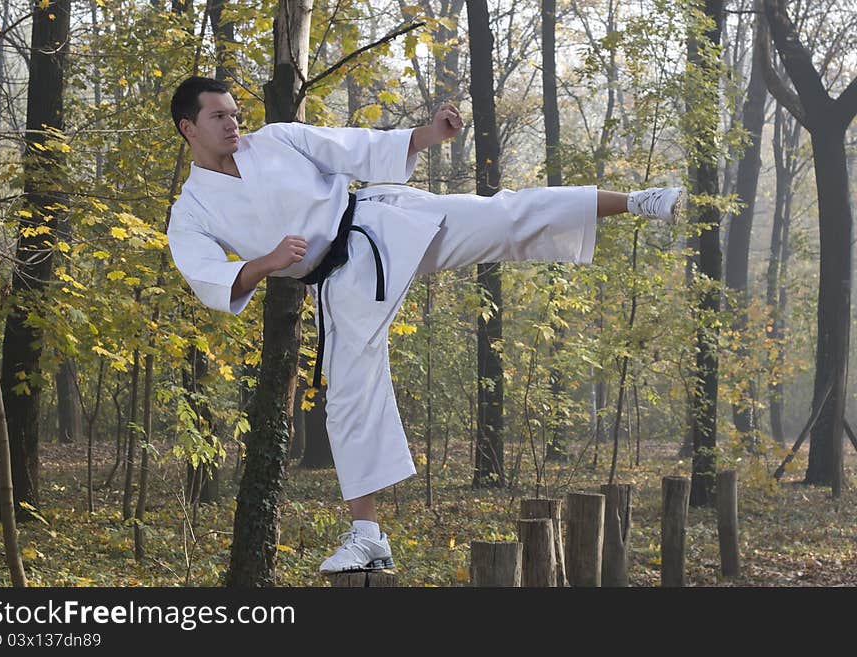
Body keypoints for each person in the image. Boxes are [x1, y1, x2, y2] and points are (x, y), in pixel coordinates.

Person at [166, 75, 685, 575]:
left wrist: (429, 135)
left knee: (503, 217)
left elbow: (356, 147)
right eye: (219, 116)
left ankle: (638, 201)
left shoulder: (276, 139)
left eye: (235, 113)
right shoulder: (191, 210)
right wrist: (267, 262)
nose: (234, 124)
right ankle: (367, 536)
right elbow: (208, 276)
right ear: (189, 127)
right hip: (341, 283)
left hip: (381, 222)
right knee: (347, 395)